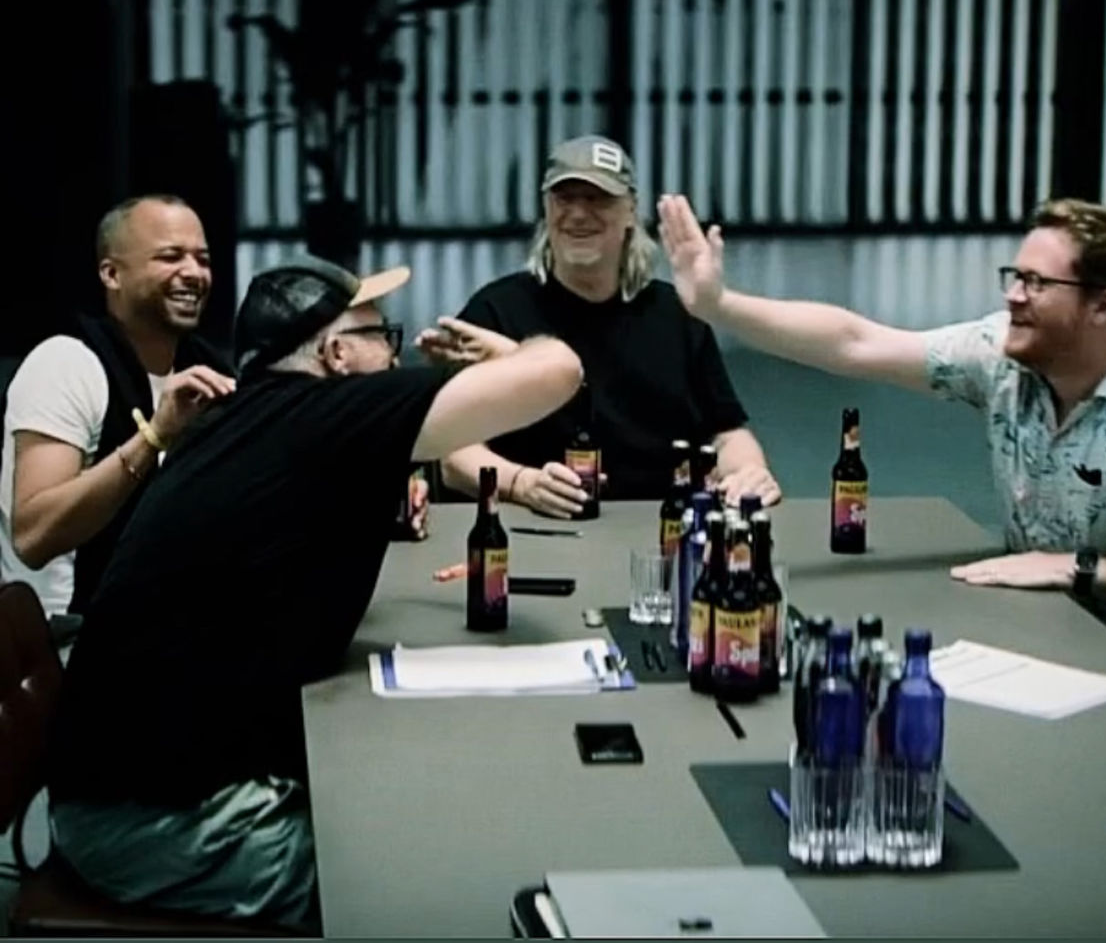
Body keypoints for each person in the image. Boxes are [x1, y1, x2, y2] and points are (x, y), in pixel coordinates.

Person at [46, 254, 583, 929]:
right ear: (335, 353)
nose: (393, 351)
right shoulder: (320, 415)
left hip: (141, 784)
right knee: (438, 881)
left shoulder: (254, 416)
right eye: (380, 335)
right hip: (152, 823)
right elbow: (560, 370)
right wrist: (510, 352)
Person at [657, 193, 1106, 716]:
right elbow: (856, 343)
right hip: (1051, 627)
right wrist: (719, 306)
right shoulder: (1001, 358)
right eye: (1014, 276)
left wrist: (1075, 569)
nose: (1014, 296)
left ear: (1103, 306)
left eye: (1037, 283)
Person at [422, 135, 779, 518]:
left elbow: (727, 433)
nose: (578, 214)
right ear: (546, 208)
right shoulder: (496, 312)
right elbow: (453, 453)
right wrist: (521, 484)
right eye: (565, 198)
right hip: (530, 528)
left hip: (658, 528)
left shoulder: (678, 315)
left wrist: (749, 473)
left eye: (598, 199)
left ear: (630, 211)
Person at [0, 194, 234, 624]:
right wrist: (154, 436)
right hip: (66, 635)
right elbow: (33, 537)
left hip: (163, 628)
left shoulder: (210, 369)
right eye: (171, 257)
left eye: (203, 259)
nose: (194, 273)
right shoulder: (66, 363)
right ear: (112, 274)